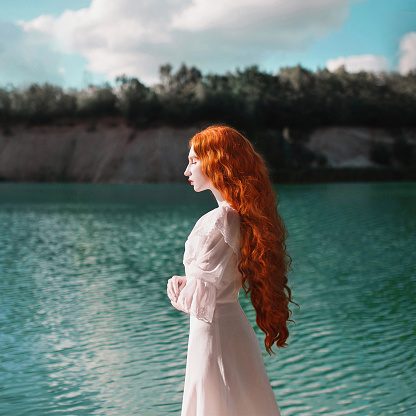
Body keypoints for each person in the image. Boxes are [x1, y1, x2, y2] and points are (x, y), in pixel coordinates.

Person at [167, 125, 294, 416]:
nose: (187, 171)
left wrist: (176, 289)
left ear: (216, 162)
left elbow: (198, 301)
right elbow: (221, 278)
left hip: (211, 333)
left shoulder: (216, 220)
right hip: (234, 328)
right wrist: (192, 280)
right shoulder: (242, 215)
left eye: (193, 161)